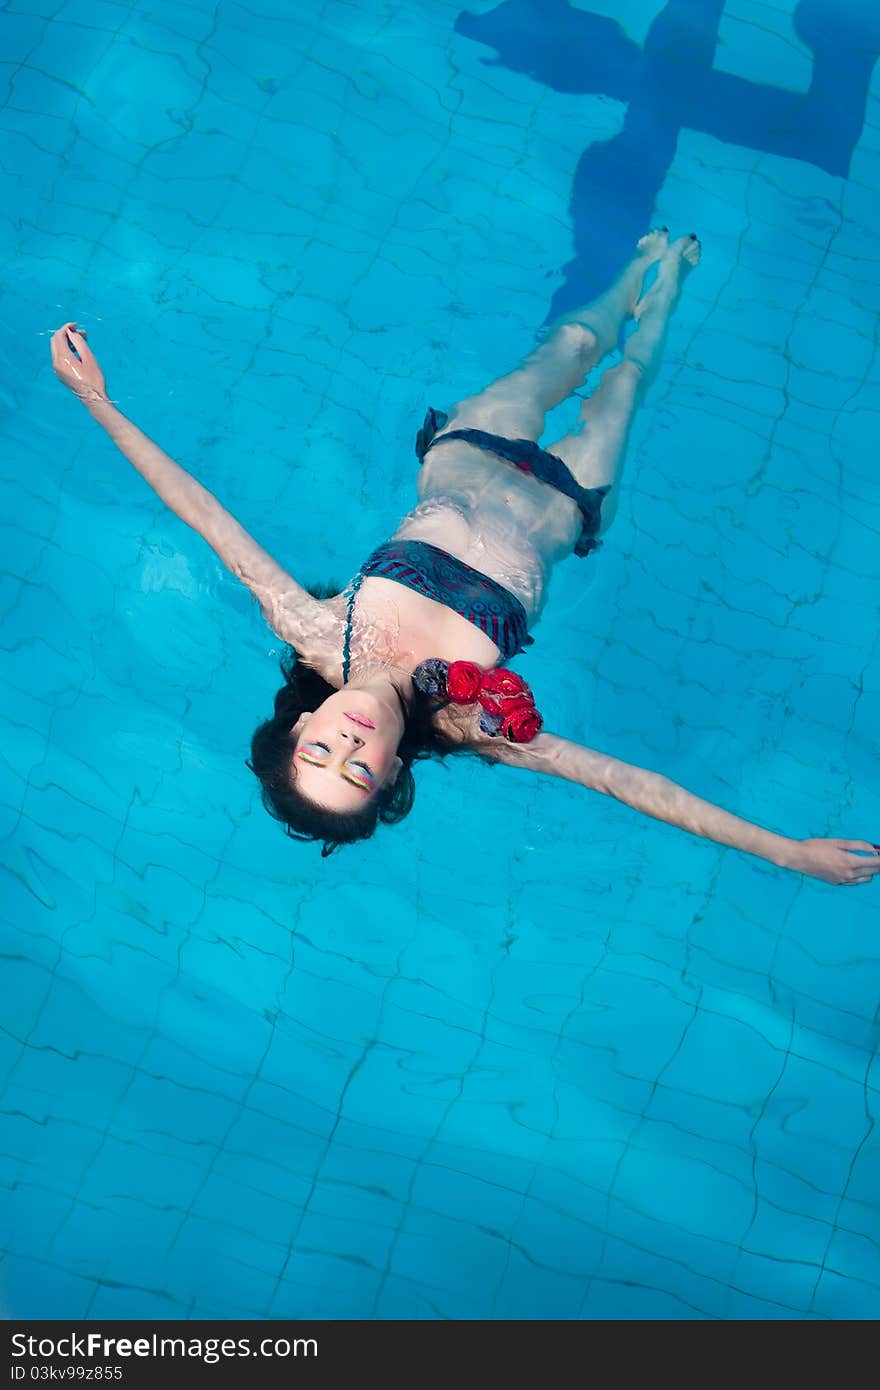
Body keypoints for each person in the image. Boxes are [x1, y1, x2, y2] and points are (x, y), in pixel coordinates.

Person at [50, 232, 879, 885]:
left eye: (320, 752)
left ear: (301, 723)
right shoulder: (469, 726)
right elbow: (627, 784)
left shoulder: (316, 630)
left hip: (467, 454)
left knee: (577, 340)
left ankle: (635, 275)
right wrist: (784, 851)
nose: (349, 743)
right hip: (569, 502)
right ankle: (664, 299)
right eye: (360, 770)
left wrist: (96, 405)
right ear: (390, 778)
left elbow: (204, 515)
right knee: (624, 385)